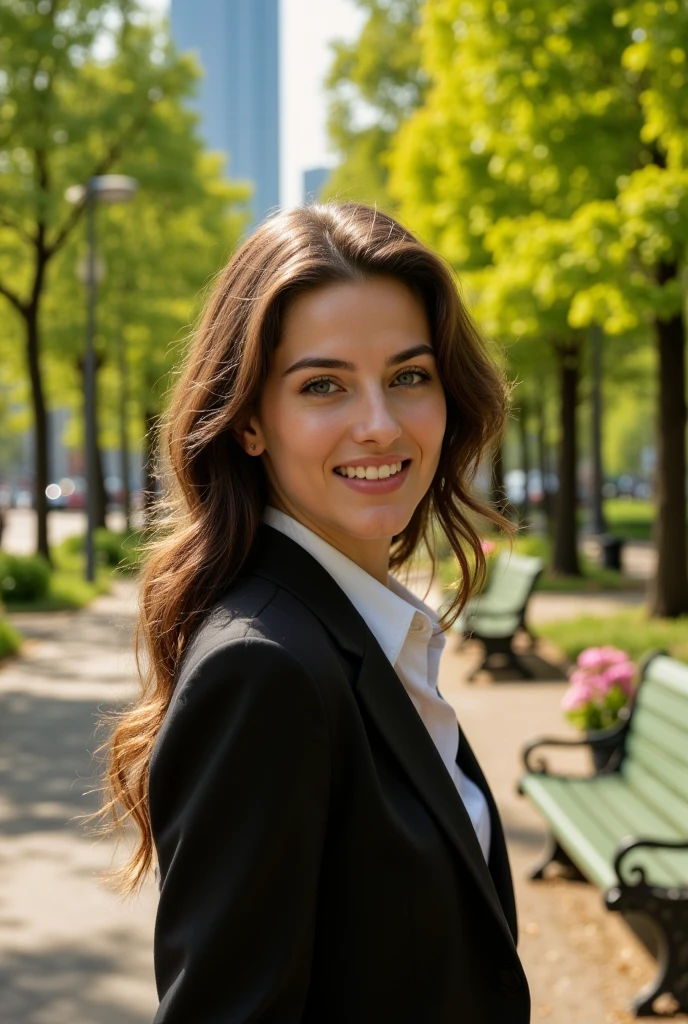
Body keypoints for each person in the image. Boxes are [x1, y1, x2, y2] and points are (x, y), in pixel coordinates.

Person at [99, 201, 530, 1022]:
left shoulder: (361, 630)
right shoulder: (264, 670)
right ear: (252, 421)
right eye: (323, 385)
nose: (379, 424)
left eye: (409, 376)